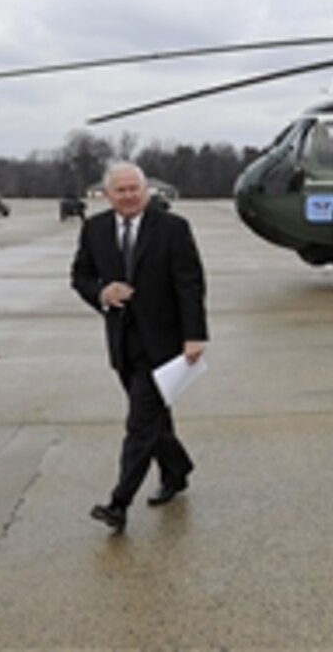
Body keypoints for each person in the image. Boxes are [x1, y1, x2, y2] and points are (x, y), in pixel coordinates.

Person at [71, 161, 208, 533]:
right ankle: (177, 471)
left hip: (165, 343)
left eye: (135, 189)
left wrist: (195, 335)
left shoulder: (173, 229)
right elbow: (80, 275)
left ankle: (119, 503)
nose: (129, 196)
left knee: (140, 424)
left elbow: (190, 283)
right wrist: (101, 292)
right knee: (154, 421)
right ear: (107, 194)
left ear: (146, 191)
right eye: (121, 190)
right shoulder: (95, 229)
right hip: (123, 343)